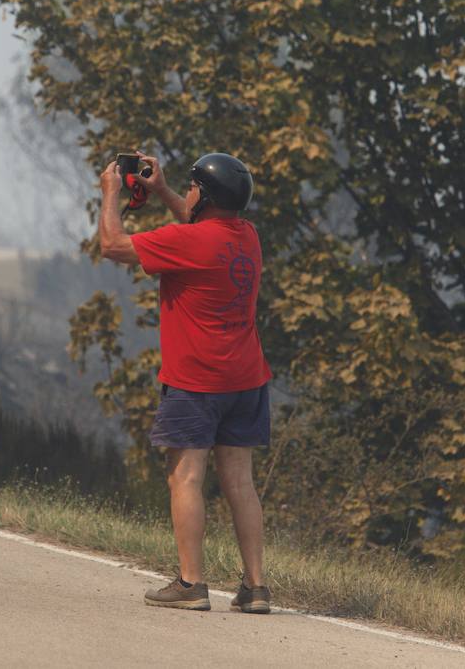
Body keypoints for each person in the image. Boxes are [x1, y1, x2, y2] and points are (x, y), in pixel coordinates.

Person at [98, 151, 272, 615]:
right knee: (240, 481)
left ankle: (192, 583)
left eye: (193, 188)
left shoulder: (188, 242)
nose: (188, 194)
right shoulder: (247, 237)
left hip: (198, 380)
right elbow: (200, 224)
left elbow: (113, 245)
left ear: (206, 195)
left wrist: (112, 193)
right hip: (247, 377)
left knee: (186, 476)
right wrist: (163, 191)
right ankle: (256, 587)